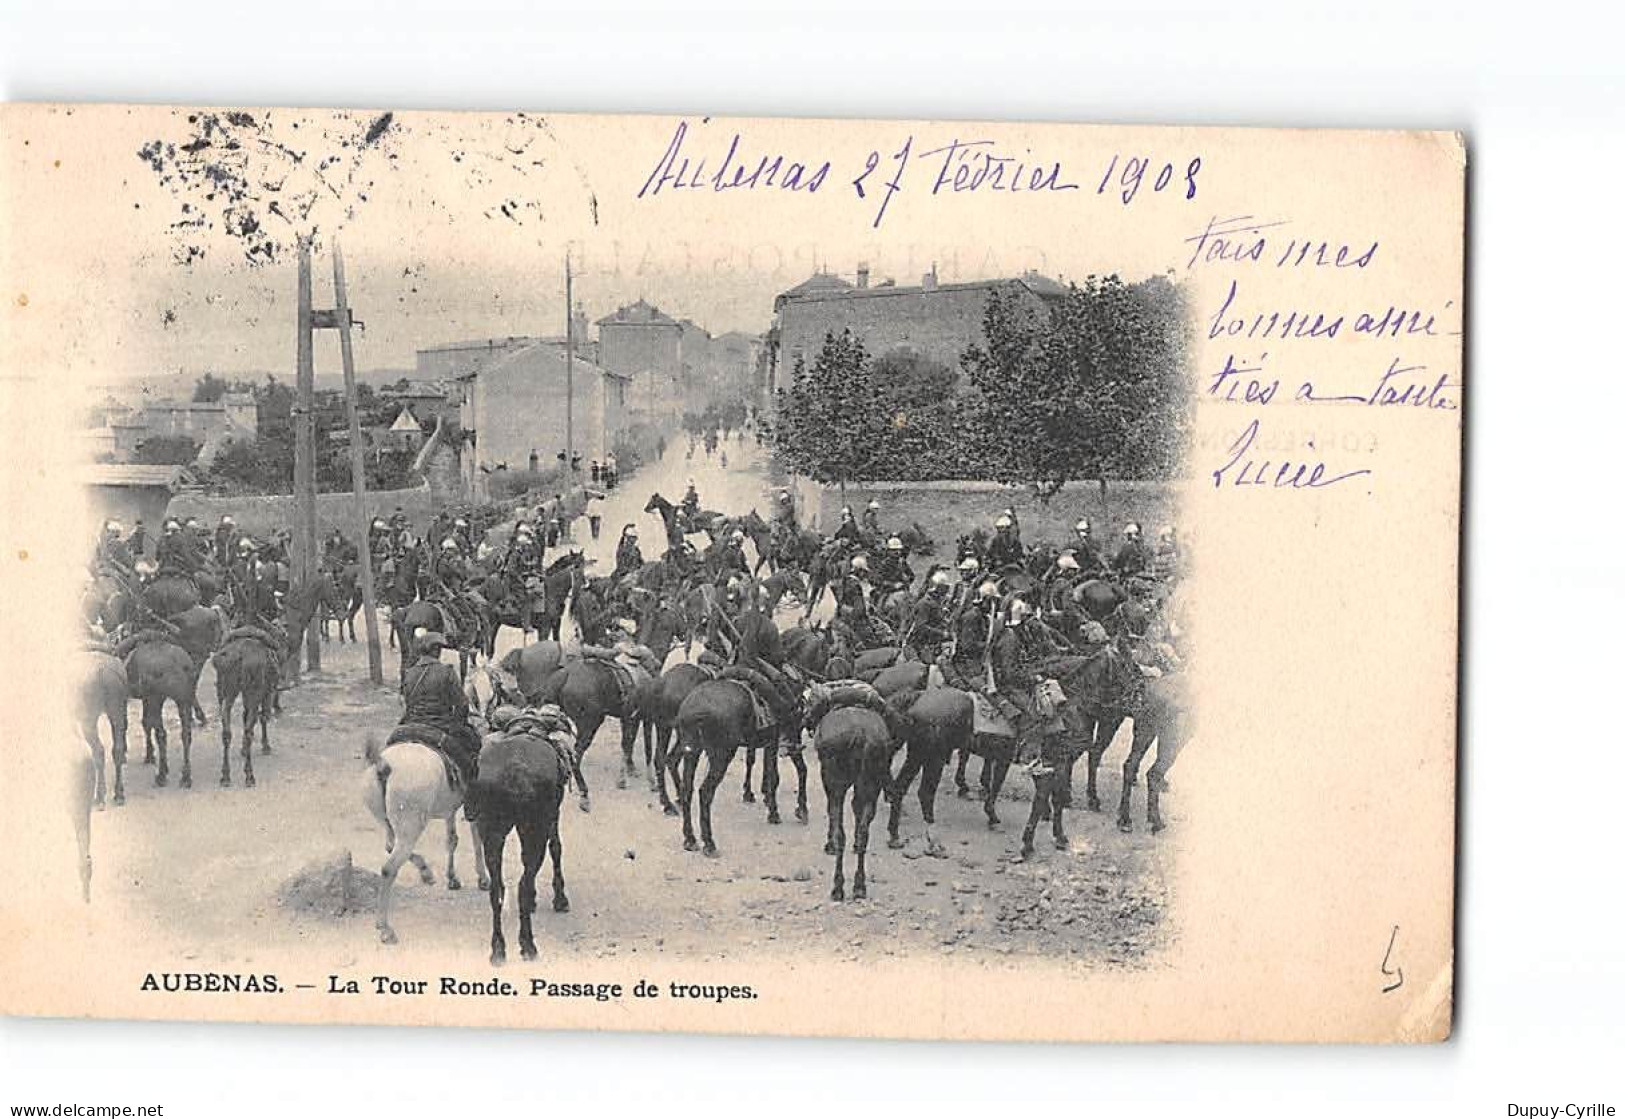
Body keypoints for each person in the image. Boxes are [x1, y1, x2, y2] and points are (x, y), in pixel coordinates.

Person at [397, 630, 482, 801]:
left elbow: (406, 701)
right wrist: (459, 724)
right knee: (472, 753)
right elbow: (462, 705)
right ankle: (472, 800)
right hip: (440, 725)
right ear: (436, 650)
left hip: (410, 725)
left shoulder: (409, 673)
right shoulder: (447, 672)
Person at [940, 580, 1001, 692]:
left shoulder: (982, 617)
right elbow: (967, 645)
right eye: (993, 601)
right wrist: (988, 646)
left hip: (976, 659)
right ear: (986, 600)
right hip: (967, 663)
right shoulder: (972, 617)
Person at [906, 569, 955, 660]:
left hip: (931, 643)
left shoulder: (935, 602)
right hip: (921, 646)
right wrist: (942, 634)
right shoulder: (925, 604)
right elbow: (921, 626)